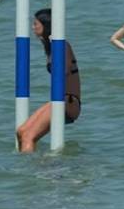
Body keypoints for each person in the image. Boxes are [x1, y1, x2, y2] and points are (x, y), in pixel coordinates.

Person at [16, 9, 81, 153]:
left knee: (28, 136)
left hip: (68, 102)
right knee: (21, 131)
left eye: (35, 24)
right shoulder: (51, 46)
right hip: (59, 100)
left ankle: (28, 170)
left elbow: (63, 71)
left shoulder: (61, 45)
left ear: (46, 25)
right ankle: (32, 162)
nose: (33, 27)